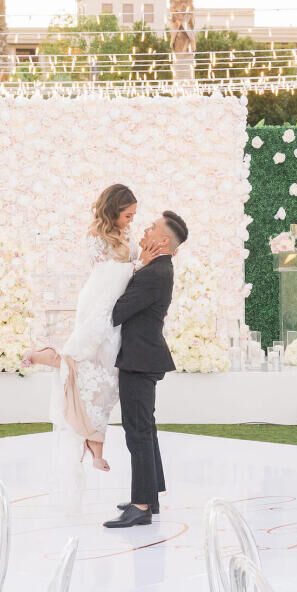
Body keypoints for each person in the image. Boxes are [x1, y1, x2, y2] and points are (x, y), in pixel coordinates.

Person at [22, 184, 139, 475]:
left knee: (107, 379)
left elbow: (125, 268)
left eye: (133, 215)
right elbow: (106, 275)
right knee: (83, 364)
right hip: (99, 304)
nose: (131, 221)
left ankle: (93, 442)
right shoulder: (96, 236)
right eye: (127, 215)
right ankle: (42, 356)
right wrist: (138, 266)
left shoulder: (126, 233)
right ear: (114, 210)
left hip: (115, 309)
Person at [104, 210, 187, 530]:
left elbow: (119, 311)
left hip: (139, 360)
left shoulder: (154, 273)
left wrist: (136, 270)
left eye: (152, 227)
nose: (145, 229)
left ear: (162, 240)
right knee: (144, 431)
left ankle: (141, 506)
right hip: (143, 357)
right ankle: (148, 497)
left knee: (137, 432)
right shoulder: (160, 268)